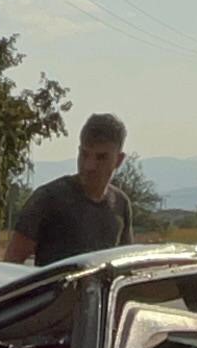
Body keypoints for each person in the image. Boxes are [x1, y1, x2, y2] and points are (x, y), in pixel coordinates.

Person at [8, 112, 135, 265]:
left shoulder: (120, 205)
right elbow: (11, 264)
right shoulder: (48, 199)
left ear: (119, 160)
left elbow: (126, 267)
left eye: (101, 157)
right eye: (84, 154)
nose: (89, 166)